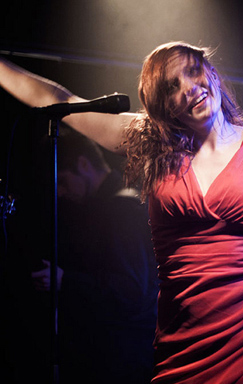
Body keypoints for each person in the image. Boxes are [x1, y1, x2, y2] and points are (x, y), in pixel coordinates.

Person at [0, 42, 243, 384]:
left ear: (212, 73)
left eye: (192, 72)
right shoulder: (149, 143)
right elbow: (59, 99)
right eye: (172, 87)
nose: (189, 89)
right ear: (163, 106)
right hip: (184, 346)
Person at [30, 126, 159, 384]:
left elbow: (132, 290)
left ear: (83, 164)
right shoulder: (112, 205)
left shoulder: (121, 209)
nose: (60, 192)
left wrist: (65, 280)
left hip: (125, 358)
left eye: (62, 181)